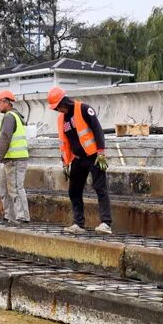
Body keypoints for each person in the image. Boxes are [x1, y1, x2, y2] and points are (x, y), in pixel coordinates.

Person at [48, 86, 112, 235]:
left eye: (58, 107)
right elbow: (64, 142)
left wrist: (101, 152)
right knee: (74, 191)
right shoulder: (61, 119)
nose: (58, 110)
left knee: (100, 188)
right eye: (56, 109)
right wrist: (65, 162)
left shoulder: (83, 109)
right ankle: (79, 224)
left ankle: (106, 223)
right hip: (78, 159)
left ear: (65, 101)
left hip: (94, 157)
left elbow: (98, 130)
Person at [0, 90, 30, 224]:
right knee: (4, 187)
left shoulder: (10, 116)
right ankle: (11, 216)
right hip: (9, 159)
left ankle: (23, 216)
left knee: (15, 187)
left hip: (15, 159)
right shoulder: (13, 116)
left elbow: (5, 138)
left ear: (6, 102)